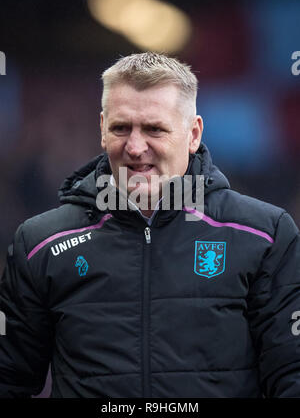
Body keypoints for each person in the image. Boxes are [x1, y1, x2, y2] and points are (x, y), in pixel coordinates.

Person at [0, 52, 300, 398]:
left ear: (193, 134)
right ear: (101, 129)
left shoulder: (266, 235)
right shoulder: (41, 243)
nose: (135, 147)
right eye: (120, 128)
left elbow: (292, 374)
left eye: (154, 129)